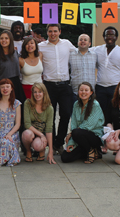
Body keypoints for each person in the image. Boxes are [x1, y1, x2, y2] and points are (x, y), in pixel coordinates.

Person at [38, 23, 76, 155]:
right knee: (50, 116)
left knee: (65, 114)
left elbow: (79, 52)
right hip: (49, 86)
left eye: (55, 31)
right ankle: (52, 144)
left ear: (60, 31)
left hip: (65, 85)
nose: (52, 34)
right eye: (50, 31)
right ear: (47, 32)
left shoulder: (67, 44)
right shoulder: (41, 47)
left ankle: (59, 142)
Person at [61, 82, 105, 164]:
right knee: (65, 157)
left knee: (76, 132)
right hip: (79, 137)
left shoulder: (95, 105)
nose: (83, 92)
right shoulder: (76, 104)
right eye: (81, 90)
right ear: (78, 92)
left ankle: (91, 149)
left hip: (94, 136)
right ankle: (93, 151)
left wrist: (71, 134)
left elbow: (89, 125)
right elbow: (73, 124)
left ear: (91, 92)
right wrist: (71, 142)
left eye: (86, 90)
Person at [94, 26, 120, 117]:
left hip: (115, 87)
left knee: (114, 111)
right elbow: (85, 51)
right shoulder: (96, 50)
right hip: (100, 87)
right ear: (104, 37)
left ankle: (113, 130)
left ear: (116, 37)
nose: (109, 37)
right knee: (100, 112)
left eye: (112, 35)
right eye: (107, 35)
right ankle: (101, 130)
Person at [22, 83, 56, 164]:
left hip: (42, 134)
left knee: (37, 145)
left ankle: (42, 150)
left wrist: (50, 151)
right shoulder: (28, 103)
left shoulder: (49, 108)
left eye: (40, 92)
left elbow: (49, 129)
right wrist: (41, 135)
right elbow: (27, 124)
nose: (37, 94)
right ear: (32, 93)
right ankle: (28, 151)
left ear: (44, 93)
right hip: (31, 132)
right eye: (35, 92)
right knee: (26, 134)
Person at [0, 30, 26, 103]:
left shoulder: (15, 53)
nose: (4, 40)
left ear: (10, 40)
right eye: (1, 38)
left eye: (6, 38)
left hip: (16, 85)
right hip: (4, 87)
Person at [69, 34, 97, 101]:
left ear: (89, 43)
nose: (83, 41)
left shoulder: (95, 55)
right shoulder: (71, 55)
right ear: (77, 43)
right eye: (81, 40)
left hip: (90, 93)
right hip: (75, 93)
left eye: (85, 40)